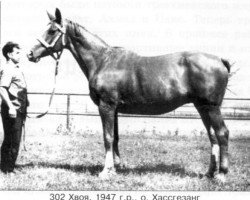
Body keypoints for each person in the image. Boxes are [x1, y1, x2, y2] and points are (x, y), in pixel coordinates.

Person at [0, 41, 28, 173]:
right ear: (9, 54)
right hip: (12, 110)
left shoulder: (16, 68)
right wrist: (11, 106)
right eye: (17, 53)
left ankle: (7, 167)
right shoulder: (8, 69)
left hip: (18, 109)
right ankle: (7, 169)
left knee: (11, 140)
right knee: (13, 140)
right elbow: (2, 89)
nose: (19, 55)